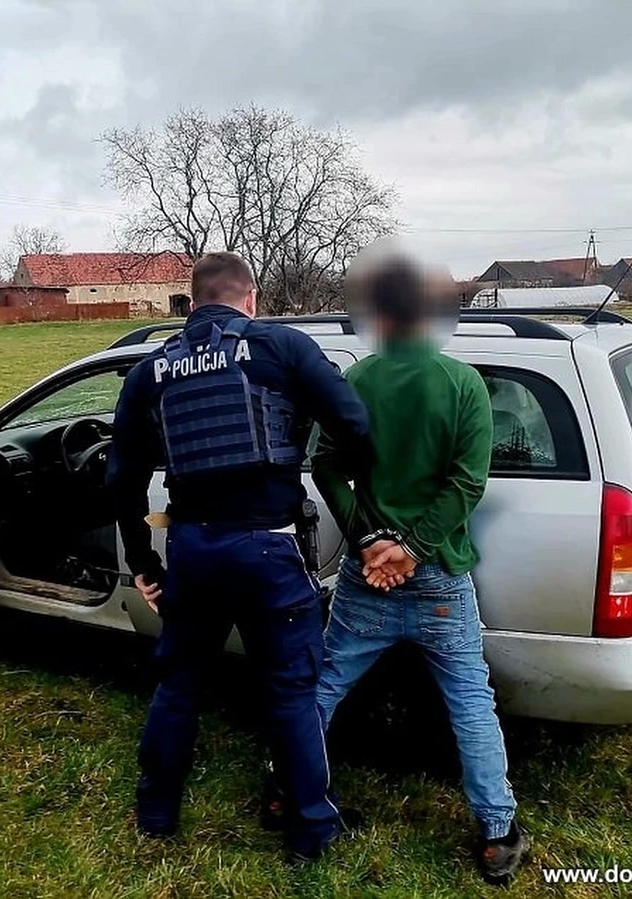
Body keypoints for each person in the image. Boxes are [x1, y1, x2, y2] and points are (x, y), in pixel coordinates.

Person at [107, 251, 372, 864]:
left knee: (179, 684)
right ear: (250, 298)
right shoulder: (283, 346)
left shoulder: (152, 372)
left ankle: (156, 813)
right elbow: (354, 422)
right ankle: (310, 831)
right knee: (290, 692)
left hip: (194, 548)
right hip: (269, 547)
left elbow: (121, 480)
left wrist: (146, 564)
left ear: (191, 301)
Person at [310, 252, 530, 886]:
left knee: (325, 687)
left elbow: (326, 465)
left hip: (365, 576)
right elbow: (468, 483)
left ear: (378, 314)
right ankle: (496, 833)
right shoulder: (463, 385)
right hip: (438, 578)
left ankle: (285, 790)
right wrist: (413, 547)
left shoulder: (356, 383)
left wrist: (372, 539)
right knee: (469, 702)